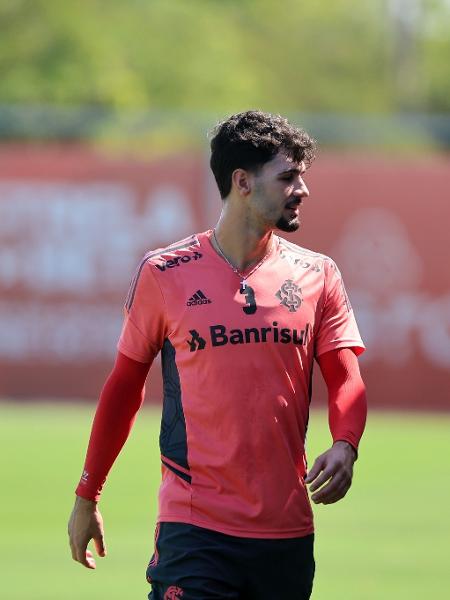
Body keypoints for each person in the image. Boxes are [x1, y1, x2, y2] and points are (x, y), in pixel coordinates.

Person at [68, 110, 367, 600]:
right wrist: (87, 495)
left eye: (302, 177)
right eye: (288, 177)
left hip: (287, 533)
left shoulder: (319, 275)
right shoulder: (165, 273)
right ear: (242, 182)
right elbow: (123, 388)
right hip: (196, 529)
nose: (303, 190)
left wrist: (346, 443)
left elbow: (346, 377)